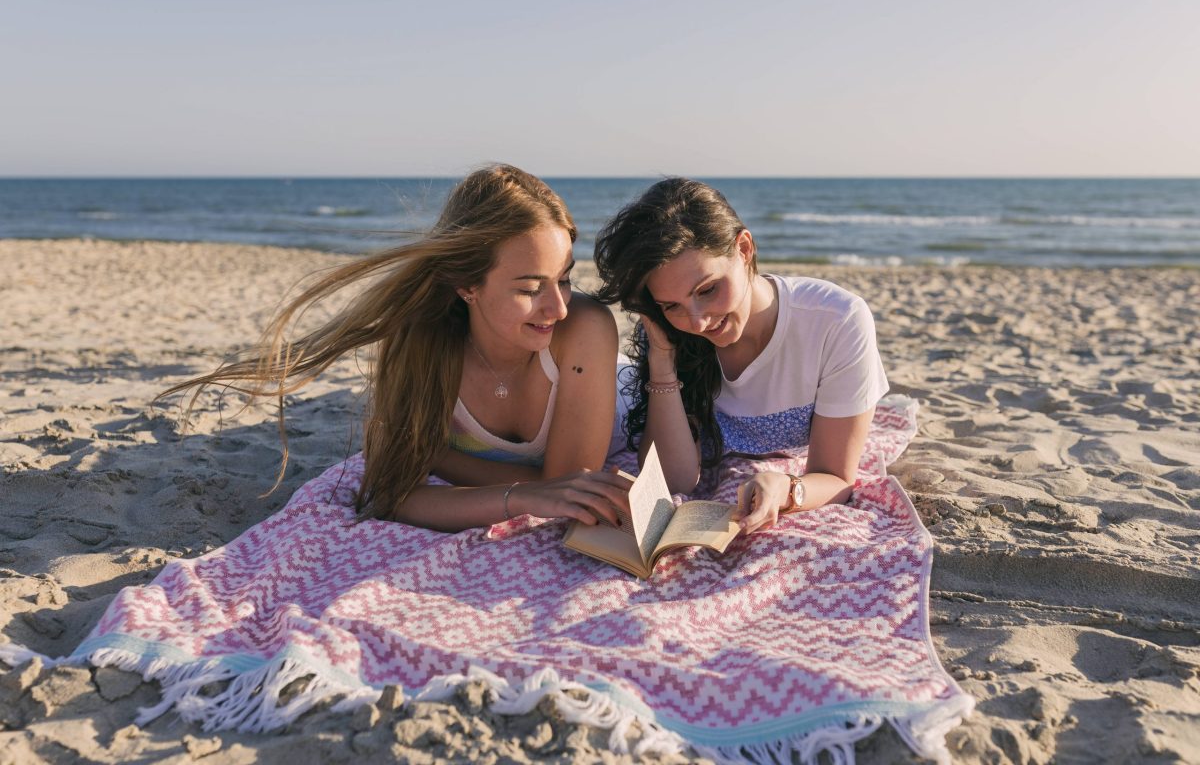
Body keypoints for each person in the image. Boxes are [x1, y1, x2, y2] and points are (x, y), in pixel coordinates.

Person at [164, 164, 630, 531]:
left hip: (615, 391)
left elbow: (568, 487)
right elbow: (390, 494)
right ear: (467, 284)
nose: (558, 308)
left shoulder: (583, 330)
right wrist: (521, 496)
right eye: (531, 288)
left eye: (565, 280)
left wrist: (442, 458)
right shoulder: (422, 337)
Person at [593, 178, 889, 536]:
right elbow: (674, 480)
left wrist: (788, 489)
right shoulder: (671, 332)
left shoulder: (835, 321)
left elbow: (838, 478)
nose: (698, 321)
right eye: (671, 305)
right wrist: (662, 361)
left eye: (708, 289)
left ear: (744, 248)